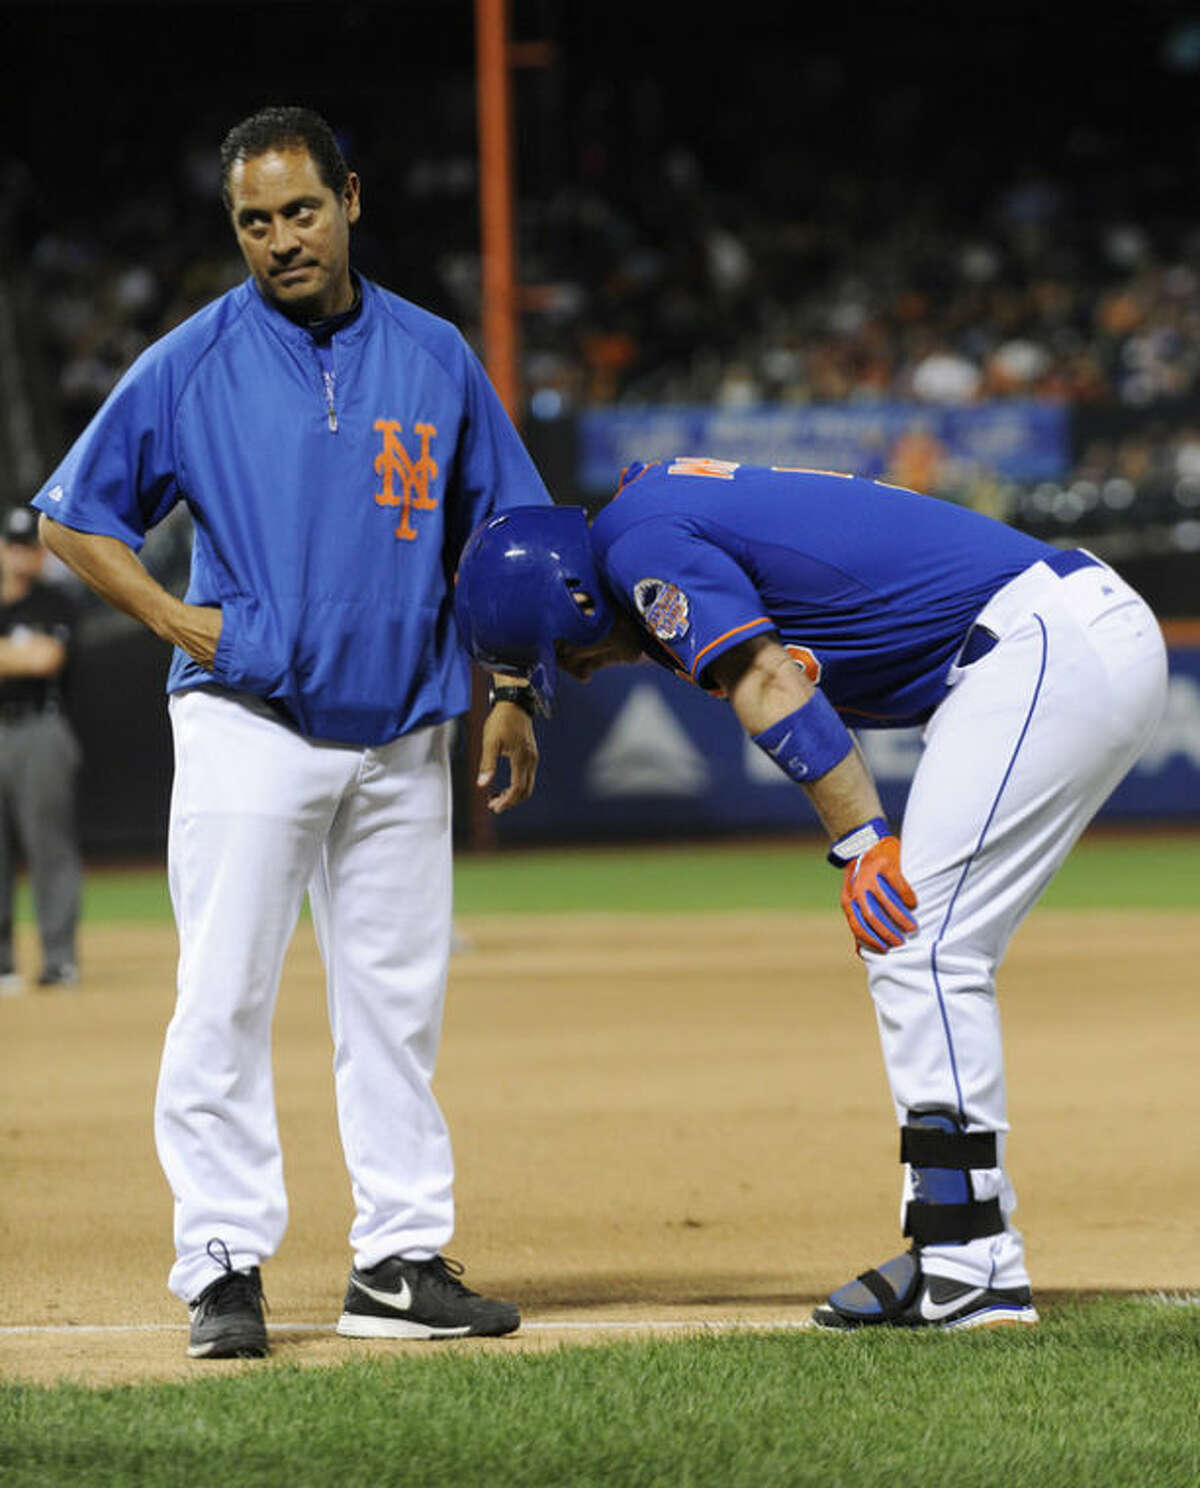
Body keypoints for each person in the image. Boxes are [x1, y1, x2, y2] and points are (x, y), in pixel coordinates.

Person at [34, 106, 549, 1359]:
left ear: (352, 199)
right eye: (254, 222)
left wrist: (518, 689)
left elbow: (510, 534)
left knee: (395, 1005)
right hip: (248, 724)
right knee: (222, 997)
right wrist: (179, 621)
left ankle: (398, 1260)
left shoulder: (434, 356)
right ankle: (220, 1261)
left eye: (300, 211)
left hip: (404, 732)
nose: (279, 240)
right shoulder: (195, 359)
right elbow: (73, 516)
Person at [453, 457, 1168, 1330]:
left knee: (916, 938)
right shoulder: (639, 520)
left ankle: (970, 1258)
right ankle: (950, 1242)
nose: (587, 672)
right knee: (918, 946)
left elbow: (765, 680)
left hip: (1040, 648)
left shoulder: (643, 553)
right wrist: (518, 690)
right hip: (1043, 642)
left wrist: (863, 840)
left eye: (568, 655)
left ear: (580, 599)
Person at [0, 504, 81, 993]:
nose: (20, 555)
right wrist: (17, 655)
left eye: (28, 545)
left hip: (41, 731)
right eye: (12, 545)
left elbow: (46, 659)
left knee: (49, 845)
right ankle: (3, 962)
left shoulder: (55, 602)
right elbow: (27, 658)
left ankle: (59, 958)